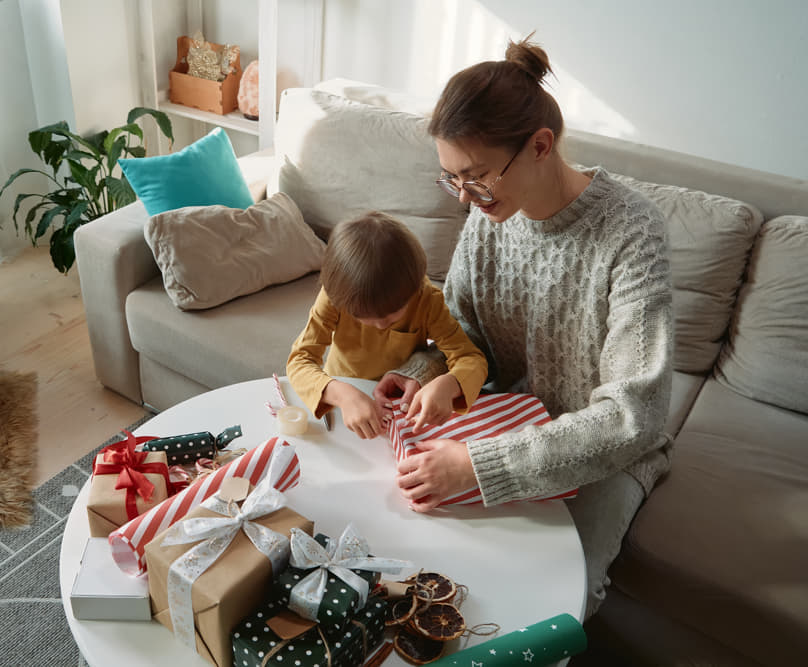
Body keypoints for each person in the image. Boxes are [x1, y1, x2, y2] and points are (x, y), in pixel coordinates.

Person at [374, 35, 674, 618]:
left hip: (605, 450)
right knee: (422, 556)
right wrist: (425, 373)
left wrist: (476, 467)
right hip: (510, 414)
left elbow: (633, 416)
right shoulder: (490, 218)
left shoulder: (633, 232)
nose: (465, 198)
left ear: (541, 146)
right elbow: (462, 329)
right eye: (451, 179)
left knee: (554, 600)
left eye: (477, 177)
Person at [287, 211, 488, 439]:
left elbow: (471, 359)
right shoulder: (335, 297)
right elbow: (300, 360)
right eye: (362, 316)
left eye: (392, 315)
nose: (380, 325)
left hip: (400, 400)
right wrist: (341, 395)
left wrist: (450, 384)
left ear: (414, 292)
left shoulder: (427, 300)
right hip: (342, 394)